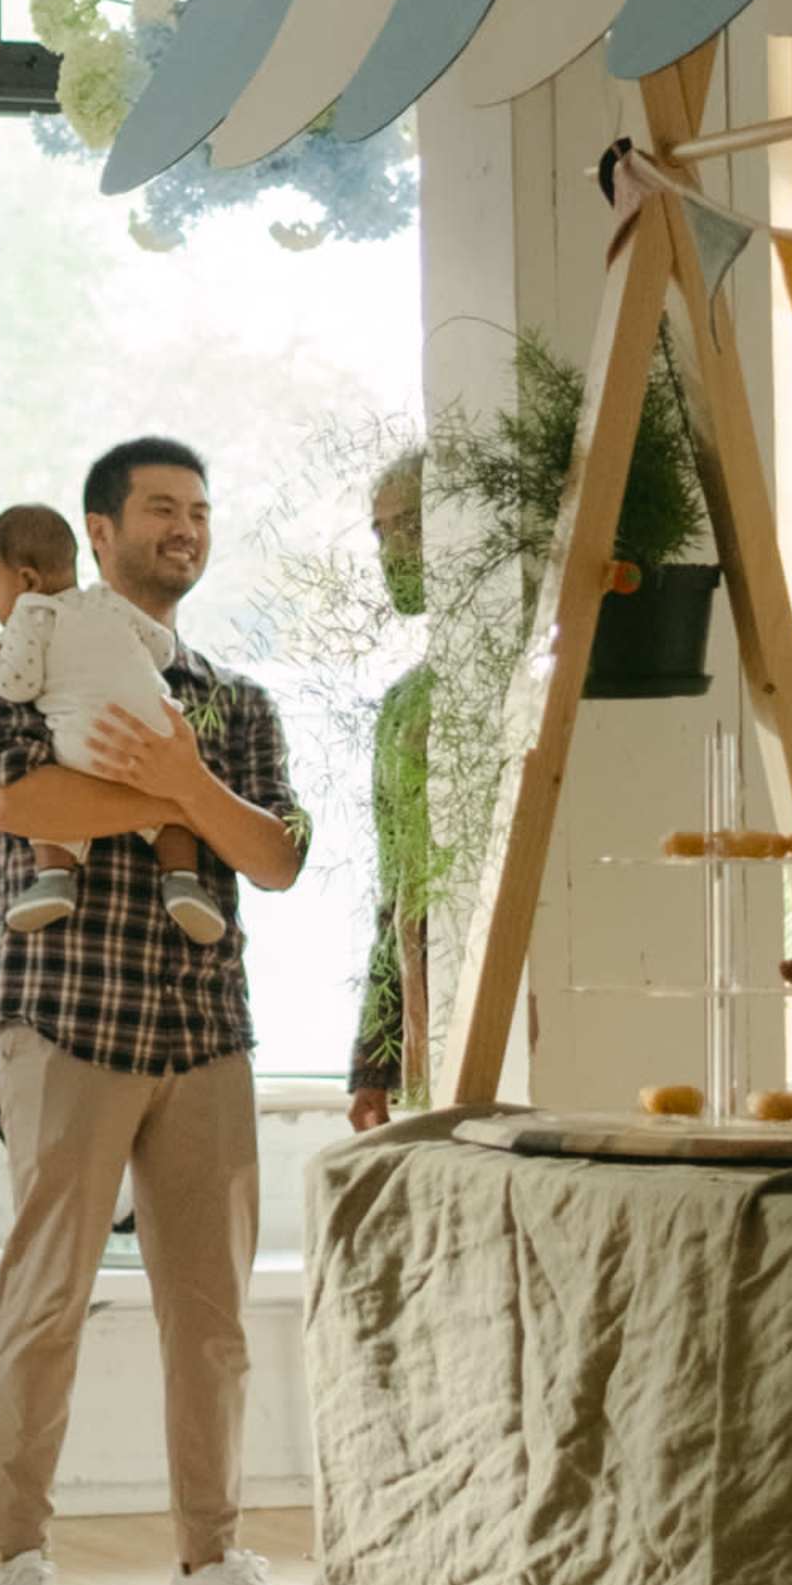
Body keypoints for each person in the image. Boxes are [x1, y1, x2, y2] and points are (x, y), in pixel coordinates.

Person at [0, 432, 313, 1585]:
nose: (186, 527)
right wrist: (181, 801)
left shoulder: (235, 697)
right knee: (44, 1302)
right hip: (70, 1023)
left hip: (207, 1034)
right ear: (98, 531)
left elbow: (275, 856)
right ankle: (19, 1564)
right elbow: (21, 802)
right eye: (161, 508)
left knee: (211, 1319)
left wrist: (184, 775)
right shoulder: (26, 659)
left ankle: (210, 1566)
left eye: (201, 510)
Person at [0, 503, 220, 941]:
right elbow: (163, 649)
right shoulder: (107, 600)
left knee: (53, 802)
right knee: (173, 817)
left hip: (92, 744)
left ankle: (55, 876)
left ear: (28, 581)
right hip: (159, 733)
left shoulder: (32, 613)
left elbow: (18, 683)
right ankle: (183, 880)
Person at [349, 453, 432, 1129]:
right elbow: (396, 895)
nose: (392, 552)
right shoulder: (404, 704)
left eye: (409, 525)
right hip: (425, 1037)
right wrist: (374, 1063)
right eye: (380, 533)